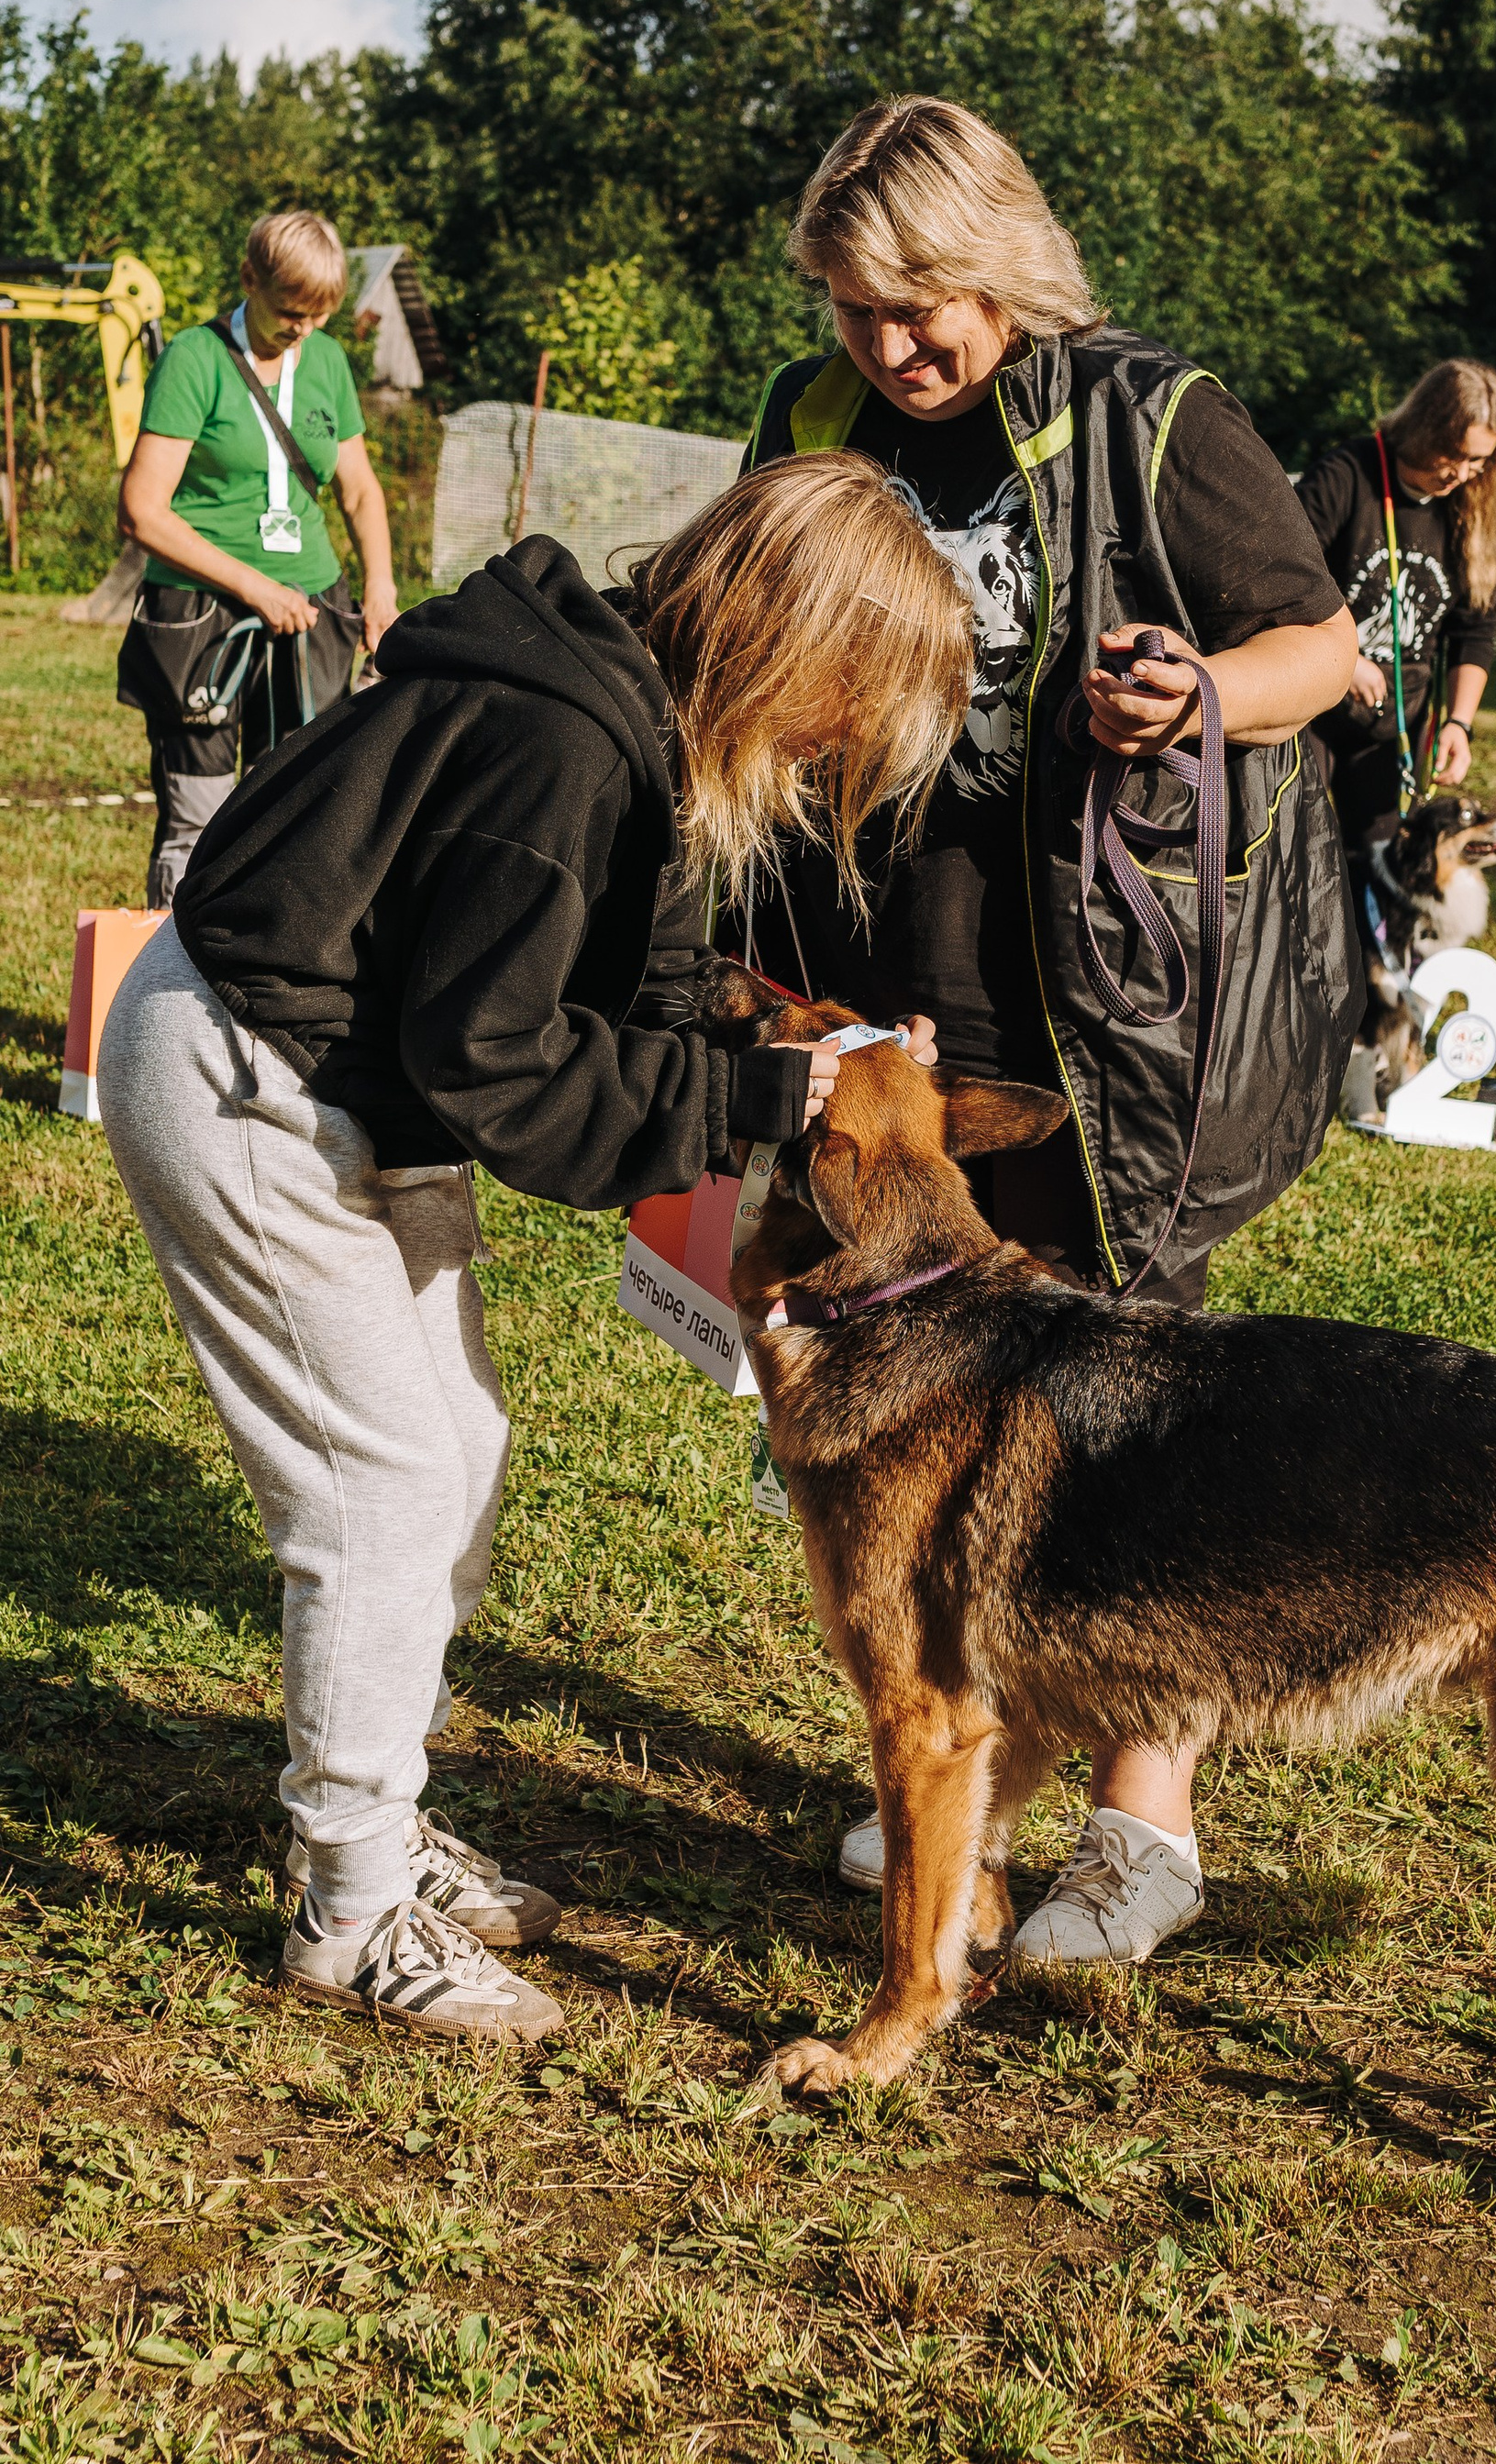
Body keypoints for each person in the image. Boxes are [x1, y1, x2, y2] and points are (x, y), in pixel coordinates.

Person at [99, 458, 973, 2048]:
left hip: (346, 1077)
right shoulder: (566, 736)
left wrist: (797, 1043)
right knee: (384, 1486)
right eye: (851, 708)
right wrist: (750, 1100)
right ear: (797, 648)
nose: (839, 749)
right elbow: (493, 1057)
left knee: (464, 1441)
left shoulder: (626, 709)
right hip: (250, 1076)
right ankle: (353, 1906)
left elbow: (616, 972)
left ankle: (379, 1810)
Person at [744, 94, 1361, 1970]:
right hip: (886, 961)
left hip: (1111, 990)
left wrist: (1194, 690)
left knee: (1117, 1397)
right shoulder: (816, 420)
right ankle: (964, 1782)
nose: (892, 347)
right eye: (857, 309)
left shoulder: (1150, 415)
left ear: (1002, 263)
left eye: (922, 303)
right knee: (927, 1394)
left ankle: (1140, 1828)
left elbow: (1319, 649)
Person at [117, 211, 400, 905]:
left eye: (319, 316)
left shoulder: (328, 362)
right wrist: (256, 588)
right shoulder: (194, 358)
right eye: (289, 311)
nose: (302, 329)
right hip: (204, 612)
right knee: (200, 818)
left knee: (299, 816)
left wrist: (382, 590)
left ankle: (269, 995)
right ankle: (171, 995)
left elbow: (360, 492)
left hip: (313, 612)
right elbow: (142, 509)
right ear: (249, 279)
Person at [1294, 359, 1496, 895]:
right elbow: (1282, 574)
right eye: (1456, 455)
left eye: (1479, 461)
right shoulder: (1345, 476)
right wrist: (1342, 658)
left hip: (1393, 730)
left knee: (1380, 868)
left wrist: (1459, 725)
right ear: (1424, 428)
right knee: (1299, 856)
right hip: (1311, 713)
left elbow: (1476, 630)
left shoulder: (1468, 508)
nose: (1464, 473)